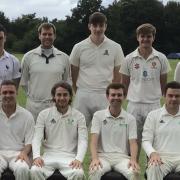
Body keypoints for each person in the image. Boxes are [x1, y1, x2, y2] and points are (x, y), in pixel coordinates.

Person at [120, 23, 170, 156]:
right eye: (142, 36)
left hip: (154, 105)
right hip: (134, 105)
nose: (145, 39)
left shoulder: (161, 58)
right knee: (133, 142)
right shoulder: (129, 58)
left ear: (153, 38)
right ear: (137, 37)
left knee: (154, 143)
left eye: (149, 36)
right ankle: (133, 172)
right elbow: (123, 86)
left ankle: (151, 173)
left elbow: (164, 86)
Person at [70, 12, 124, 127]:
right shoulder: (78, 47)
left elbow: (118, 75)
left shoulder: (116, 47)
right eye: (95, 26)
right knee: (77, 131)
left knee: (106, 132)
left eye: (101, 25)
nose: (98, 29)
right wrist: (78, 90)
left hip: (104, 95)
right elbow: (73, 72)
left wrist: (111, 93)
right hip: (83, 94)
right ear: (89, 26)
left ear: (105, 26)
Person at [30, 81, 88, 180]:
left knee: (78, 173)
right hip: (48, 155)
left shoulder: (79, 116)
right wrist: (36, 156)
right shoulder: (44, 114)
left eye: (65, 95)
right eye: (59, 95)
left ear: (70, 96)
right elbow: (37, 137)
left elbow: (83, 140)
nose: (62, 98)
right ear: (54, 96)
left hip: (70, 156)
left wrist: (78, 159)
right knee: (35, 170)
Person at [89, 83, 140, 180]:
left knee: (134, 173)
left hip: (122, 157)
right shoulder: (98, 116)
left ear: (124, 96)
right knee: (94, 170)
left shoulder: (130, 119)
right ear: (107, 96)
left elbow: (133, 143)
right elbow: (93, 141)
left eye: (119, 95)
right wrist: (95, 158)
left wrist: (133, 160)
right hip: (102, 156)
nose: (116, 97)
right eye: (113, 95)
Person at [20, 22, 70, 120]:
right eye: (44, 34)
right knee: (33, 135)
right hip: (33, 107)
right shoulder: (28, 57)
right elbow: (23, 82)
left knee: (55, 135)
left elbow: (66, 83)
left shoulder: (64, 58)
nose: (47, 37)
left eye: (50, 34)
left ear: (54, 36)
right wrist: (34, 97)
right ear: (39, 36)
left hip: (56, 106)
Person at [142, 81, 180, 180]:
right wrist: (152, 153)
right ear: (164, 96)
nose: (174, 99)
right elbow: (146, 140)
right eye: (170, 95)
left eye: (177, 96)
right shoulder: (153, 115)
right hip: (161, 157)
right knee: (153, 167)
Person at [0, 80, 34, 180]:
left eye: (11, 92)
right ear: (0, 94)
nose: (8, 95)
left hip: (19, 154)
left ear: (17, 93)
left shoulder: (27, 116)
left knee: (23, 169)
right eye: (4, 92)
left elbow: (30, 142)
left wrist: (24, 153)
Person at [0, 24, 21, 88]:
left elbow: (15, 88)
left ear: (5, 38)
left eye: (0, 38)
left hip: (5, 98)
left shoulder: (14, 61)